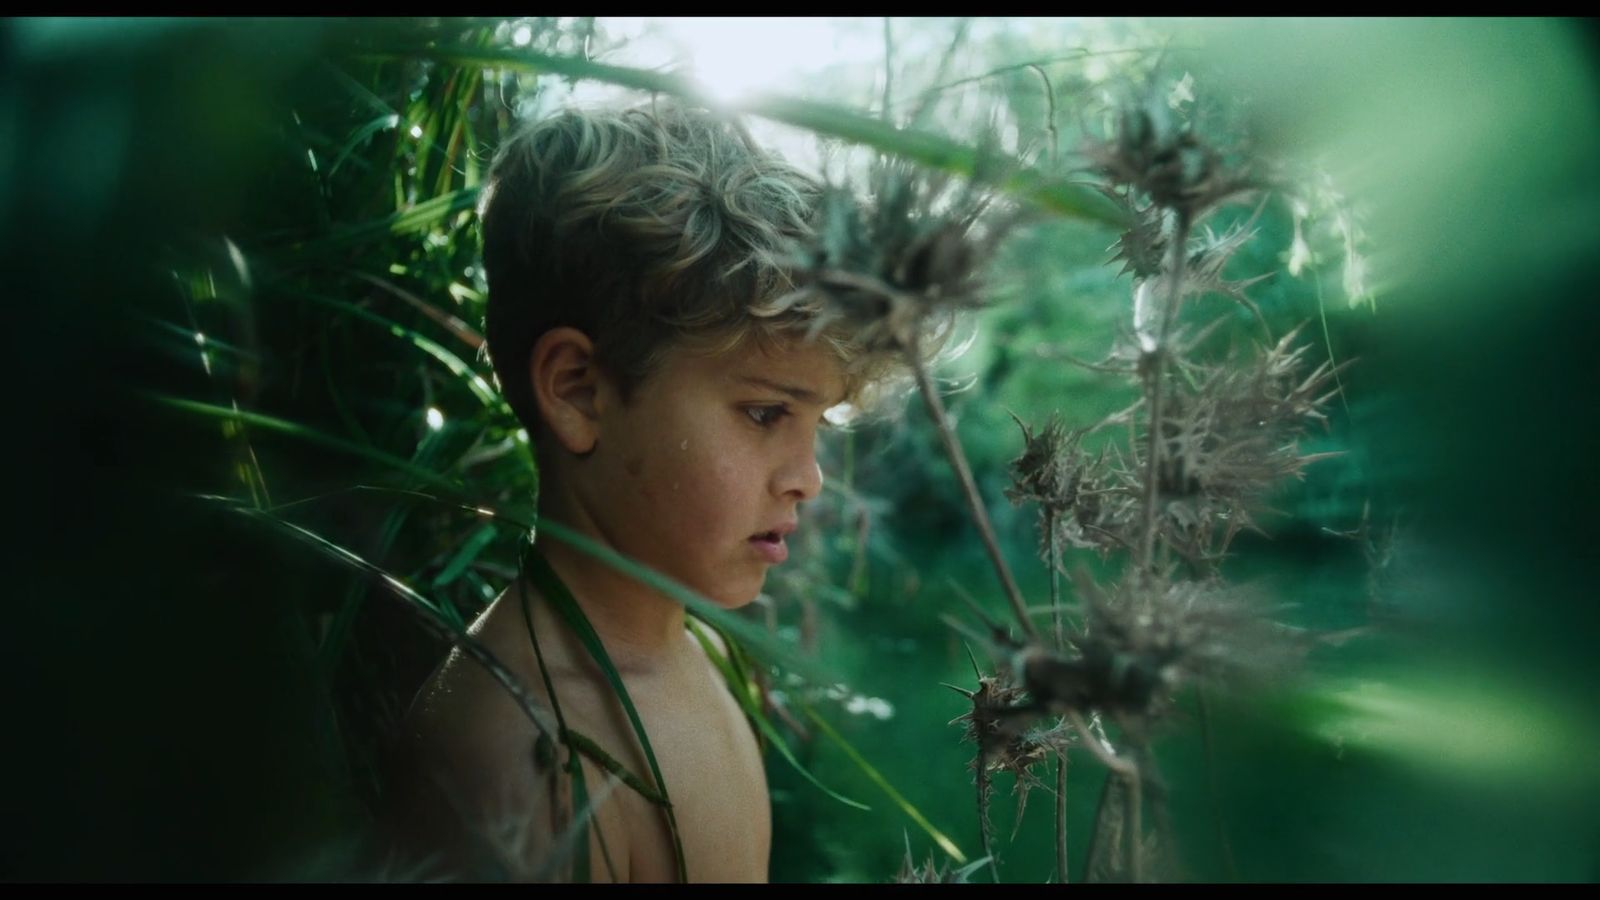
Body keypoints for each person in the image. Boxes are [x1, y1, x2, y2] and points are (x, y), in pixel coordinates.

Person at [371, 100, 899, 883]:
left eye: (816, 422)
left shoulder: (709, 653)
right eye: (765, 413)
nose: (808, 477)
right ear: (580, 391)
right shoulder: (514, 759)